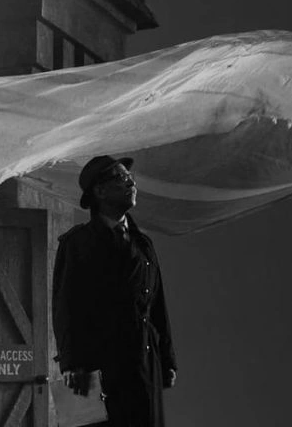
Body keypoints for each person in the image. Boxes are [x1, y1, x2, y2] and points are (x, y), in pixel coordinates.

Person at [52, 155, 177, 427]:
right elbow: (65, 308)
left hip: (143, 362)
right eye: (121, 178)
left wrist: (167, 359)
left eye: (131, 177)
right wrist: (71, 366)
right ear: (100, 191)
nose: (131, 183)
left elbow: (157, 305)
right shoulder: (77, 243)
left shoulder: (143, 244)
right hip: (97, 366)